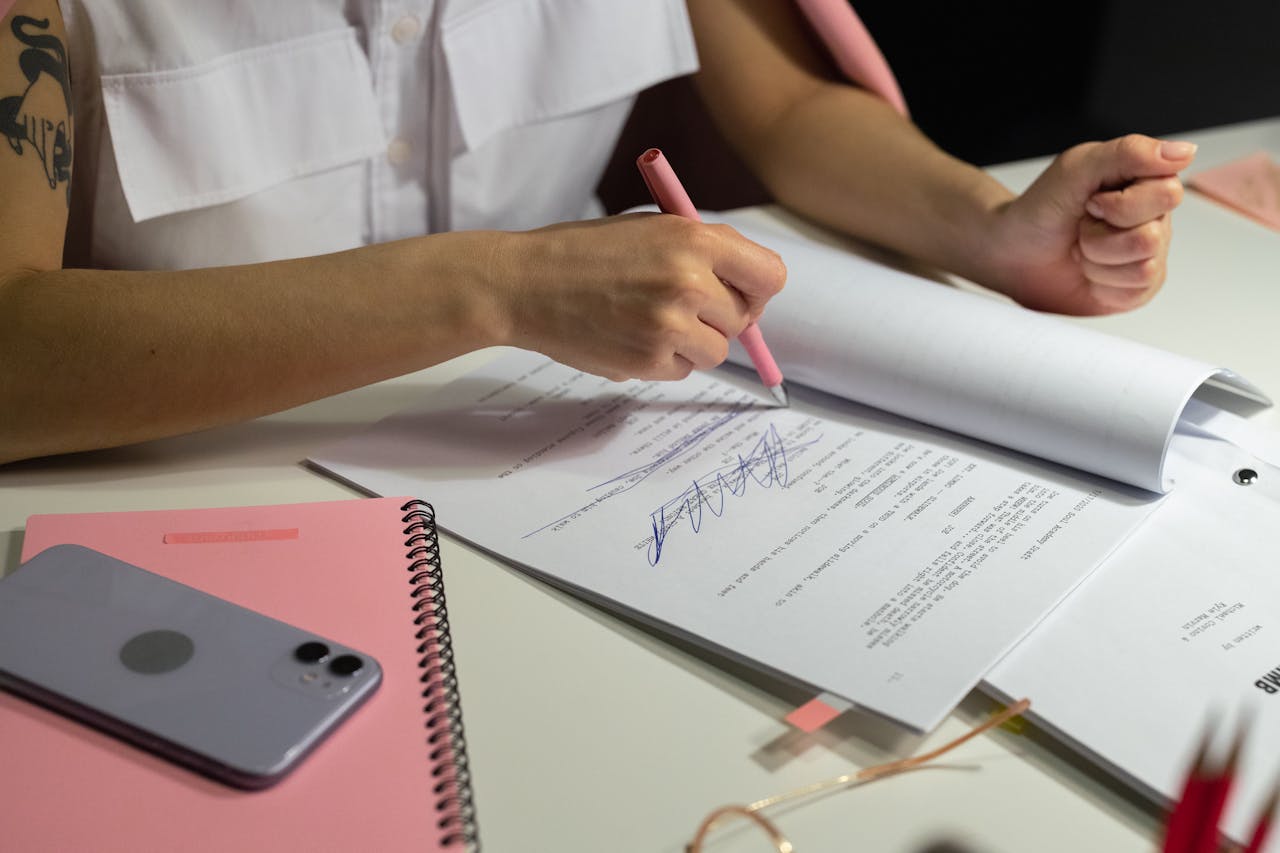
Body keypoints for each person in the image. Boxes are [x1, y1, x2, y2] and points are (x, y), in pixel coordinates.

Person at [0, 0, 1194, 465]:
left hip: (567, 457)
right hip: (191, 486)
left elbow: (780, 109)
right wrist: (497, 288)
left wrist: (987, 227)